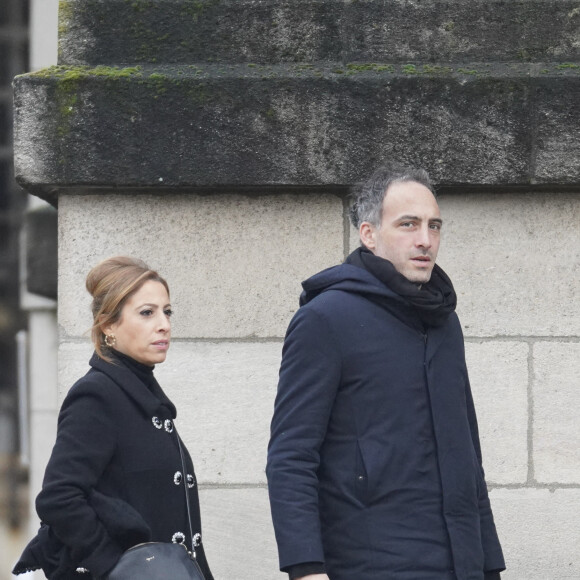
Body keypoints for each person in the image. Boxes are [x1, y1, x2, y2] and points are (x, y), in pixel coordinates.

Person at [266, 162, 506, 580]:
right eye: (408, 225)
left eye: (434, 226)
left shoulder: (444, 323)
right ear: (369, 234)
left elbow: (467, 455)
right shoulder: (326, 319)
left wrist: (488, 564)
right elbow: (291, 456)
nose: (425, 240)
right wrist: (306, 569)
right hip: (372, 563)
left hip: (460, 564)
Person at [13, 257, 213, 580]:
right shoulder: (97, 396)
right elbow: (59, 497)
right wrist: (115, 567)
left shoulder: (146, 400)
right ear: (108, 325)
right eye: (147, 313)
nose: (164, 324)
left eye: (167, 311)